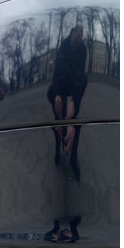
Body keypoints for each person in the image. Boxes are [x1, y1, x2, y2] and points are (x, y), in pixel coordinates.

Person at [47, 24, 87, 159]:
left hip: (74, 83)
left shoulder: (83, 48)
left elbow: (80, 75)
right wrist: (57, 94)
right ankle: (59, 136)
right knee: (52, 95)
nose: (78, 41)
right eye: (76, 37)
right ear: (72, 34)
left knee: (83, 81)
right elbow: (57, 70)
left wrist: (74, 101)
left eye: (80, 38)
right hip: (62, 83)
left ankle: (72, 154)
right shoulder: (64, 45)